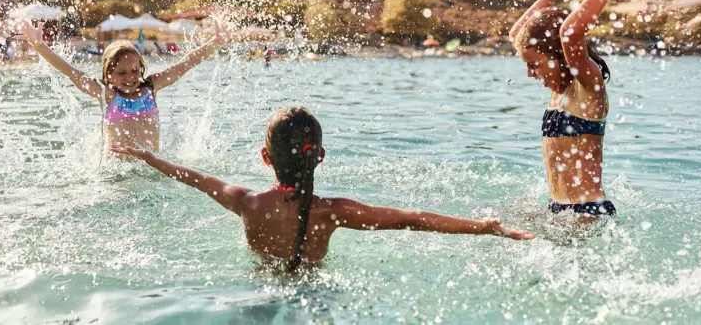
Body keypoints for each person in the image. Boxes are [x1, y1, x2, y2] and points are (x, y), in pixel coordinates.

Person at [115, 107, 533, 271]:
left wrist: (148, 157)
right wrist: (484, 227)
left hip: (259, 289)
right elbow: (413, 220)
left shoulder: (245, 203)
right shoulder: (333, 212)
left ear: (266, 157)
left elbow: (190, 176)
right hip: (314, 297)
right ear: (320, 156)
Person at [509, 0, 647, 218]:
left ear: (559, 56)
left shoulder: (587, 86)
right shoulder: (558, 90)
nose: (529, 73)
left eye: (534, 65)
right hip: (557, 209)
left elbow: (570, 34)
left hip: (586, 213)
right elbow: (517, 34)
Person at [19, 18, 229, 152]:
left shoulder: (150, 88)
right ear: (108, 75)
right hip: (118, 177)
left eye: (135, 71)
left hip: (150, 172)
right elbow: (71, 72)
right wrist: (39, 46)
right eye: (121, 73)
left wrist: (215, 43)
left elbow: (184, 65)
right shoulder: (107, 94)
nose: (130, 77)